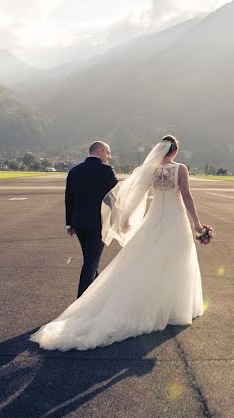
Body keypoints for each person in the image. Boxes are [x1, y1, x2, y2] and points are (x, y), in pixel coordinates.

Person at [31, 136, 208, 351]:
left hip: (152, 220)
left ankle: (143, 304)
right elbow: (186, 195)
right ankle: (173, 307)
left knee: (147, 261)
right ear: (176, 150)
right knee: (176, 260)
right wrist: (197, 225)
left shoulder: (149, 169)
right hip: (175, 218)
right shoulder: (180, 169)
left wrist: (124, 220)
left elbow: (134, 196)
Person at [64, 141, 119, 297]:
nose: (109, 156)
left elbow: (69, 199)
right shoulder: (106, 170)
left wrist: (70, 223)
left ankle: (98, 297)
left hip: (79, 223)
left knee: (91, 260)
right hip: (98, 224)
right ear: (100, 151)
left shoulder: (74, 171)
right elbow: (116, 195)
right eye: (108, 152)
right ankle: (81, 302)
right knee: (90, 263)